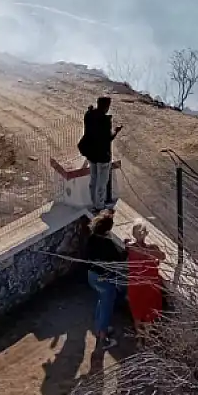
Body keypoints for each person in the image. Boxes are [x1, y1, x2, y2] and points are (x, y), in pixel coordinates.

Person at [84, 210, 127, 348]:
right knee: (107, 305)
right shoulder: (107, 243)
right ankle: (102, 338)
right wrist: (127, 249)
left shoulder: (91, 238)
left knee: (102, 301)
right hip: (104, 278)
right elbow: (118, 259)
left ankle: (99, 327)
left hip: (92, 275)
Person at [79, 96, 123, 213]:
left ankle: (94, 203)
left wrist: (90, 110)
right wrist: (116, 131)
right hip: (103, 156)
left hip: (91, 154)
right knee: (102, 183)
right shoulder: (104, 120)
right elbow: (108, 138)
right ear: (106, 106)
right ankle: (99, 206)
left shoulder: (89, 115)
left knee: (93, 179)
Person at [125, 219, 166, 335]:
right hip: (149, 286)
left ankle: (139, 340)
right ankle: (148, 339)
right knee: (149, 313)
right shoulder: (152, 249)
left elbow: (127, 244)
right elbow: (163, 257)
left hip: (134, 285)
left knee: (137, 314)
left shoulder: (130, 248)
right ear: (146, 233)